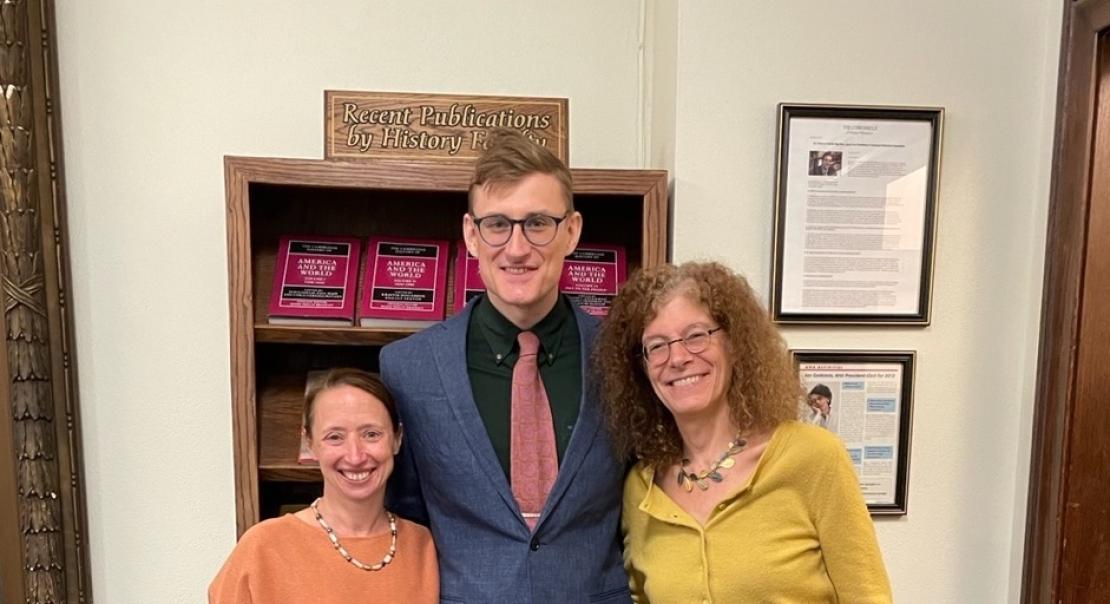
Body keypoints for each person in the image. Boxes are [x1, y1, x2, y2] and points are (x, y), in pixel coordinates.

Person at [379, 129, 631, 602]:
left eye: (538, 223)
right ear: (472, 235)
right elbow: (403, 519)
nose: (517, 248)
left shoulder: (623, 356)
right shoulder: (408, 368)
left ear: (572, 231)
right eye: (497, 224)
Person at [594, 262, 891, 603]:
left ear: (733, 344)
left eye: (696, 336)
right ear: (642, 367)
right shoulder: (642, 488)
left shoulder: (813, 457)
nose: (677, 357)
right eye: (657, 345)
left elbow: (868, 596)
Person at [208, 368, 438, 603]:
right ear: (310, 443)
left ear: (397, 439)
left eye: (371, 434)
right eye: (335, 437)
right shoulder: (262, 547)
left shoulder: (424, 546)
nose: (355, 456)